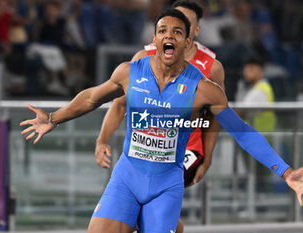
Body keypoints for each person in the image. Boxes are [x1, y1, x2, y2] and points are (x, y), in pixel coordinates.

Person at [21, 9, 303, 233]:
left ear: (188, 41)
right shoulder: (130, 71)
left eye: (177, 31)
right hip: (127, 176)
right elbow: (91, 98)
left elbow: (242, 132)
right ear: (154, 39)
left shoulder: (205, 89)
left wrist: (286, 173)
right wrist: (53, 118)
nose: (169, 35)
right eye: (163, 30)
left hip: (166, 184)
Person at [94, 1, 225, 232]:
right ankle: (171, 226)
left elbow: (216, 117)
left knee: (156, 186)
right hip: (146, 143)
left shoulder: (211, 68)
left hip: (188, 149)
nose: (171, 32)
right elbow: (119, 104)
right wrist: (102, 139)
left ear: (193, 31)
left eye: (180, 27)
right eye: (166, 27)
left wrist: (208, 158)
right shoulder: (143, 59)